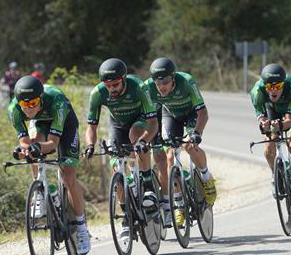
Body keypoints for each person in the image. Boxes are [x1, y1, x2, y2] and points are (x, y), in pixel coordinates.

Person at [8, 75, 91, 255]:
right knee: (33, 144)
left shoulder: (56, 100)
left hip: (65, 126)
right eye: (24, 105)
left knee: (68, 176)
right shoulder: (14, 109)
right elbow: (24, 141)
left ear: (41, 99)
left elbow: (53, 144)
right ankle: (41, 190)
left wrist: (36, 147)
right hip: (41, 124)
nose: (28, 109)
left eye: (33, 103)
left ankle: (81, 225)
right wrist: (24, 149)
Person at [84, 58, 159, 239]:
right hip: (117, 125)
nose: (112, 89)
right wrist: (89, 145)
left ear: (123, 79)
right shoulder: (97, 93)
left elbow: (153, 122)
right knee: (117, 168)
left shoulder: (138, 87)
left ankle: (148, 184)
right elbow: (91, 127)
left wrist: (144, 140)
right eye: (108, 85)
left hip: (140, 119)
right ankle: (126, 217)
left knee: (136, 137)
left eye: (116, 84)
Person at [142, 57, 217, 228]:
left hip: (192, 114)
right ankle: (178, 204)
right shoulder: (148, 87)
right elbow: (148, 115)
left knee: (189, 145)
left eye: (166, 82)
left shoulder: (187, 82)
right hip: (171, 116)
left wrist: (197, 133)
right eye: (158, 83)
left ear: (173, 78)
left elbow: (203, 113)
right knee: (169, 156)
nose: (162, 87)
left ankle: (206, 178)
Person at [250, 63, 291, 208]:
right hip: (271, 109)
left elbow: (290, 122)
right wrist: (265, 124)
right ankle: (276, 176)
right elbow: (262, 118)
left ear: (283, 84)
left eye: (277, 86)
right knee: (268, 148)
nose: (273, 90)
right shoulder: (256, 92)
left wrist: (281, 125)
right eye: (269, 87)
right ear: (264, 85)